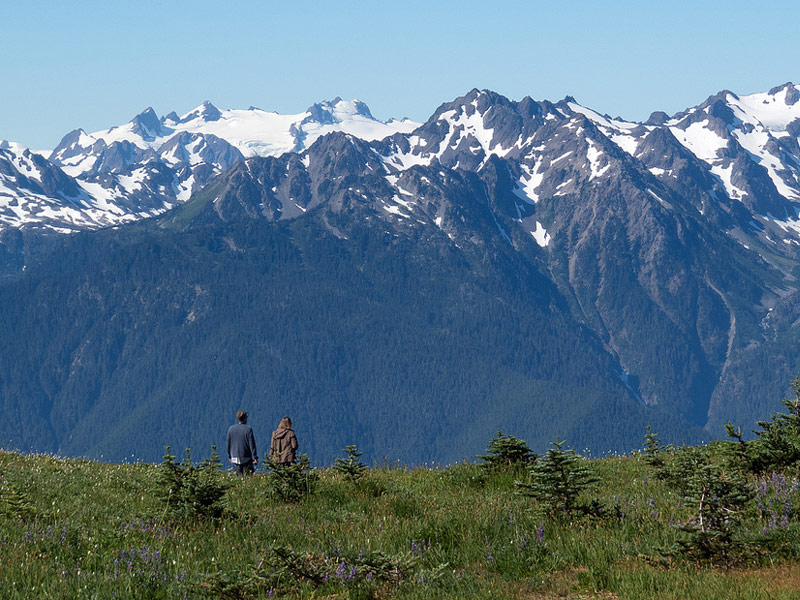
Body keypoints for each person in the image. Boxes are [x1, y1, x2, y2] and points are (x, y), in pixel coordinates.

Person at [226, 410, 258, 475]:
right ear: (245, 418)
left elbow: (228, 444)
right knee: (249, 475)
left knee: (238, 475)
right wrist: (255, 457)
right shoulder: (248, 429)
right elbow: (252, 444)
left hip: (234, 457)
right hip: (246, 457)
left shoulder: (231, 429)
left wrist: (230, 456)